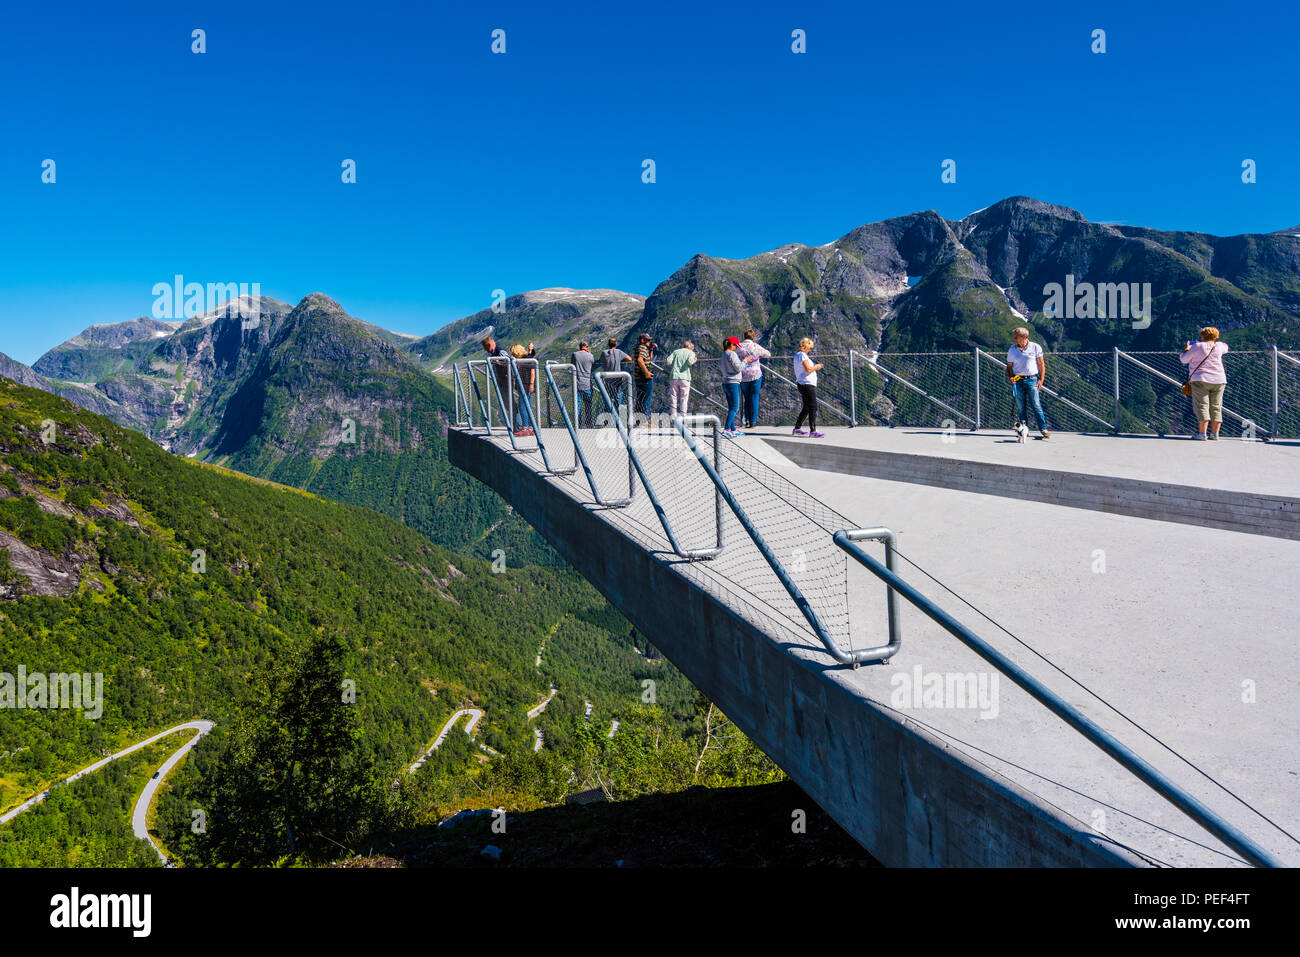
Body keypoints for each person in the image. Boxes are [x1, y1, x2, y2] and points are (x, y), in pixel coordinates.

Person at [1180, 327, 1229, 440]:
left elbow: (1184, 359)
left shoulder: (1197, 346)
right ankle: (1215, 434)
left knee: (1202, 405)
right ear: (1216, 336)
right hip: (1219, 380)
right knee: (1216, 406)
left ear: (1202, 336)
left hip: (1200, 379)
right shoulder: (1220, 346)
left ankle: (1202, 434)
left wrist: (1187, 349)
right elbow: (1226, 347)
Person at [1005, 327, 1050, 439]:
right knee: (1021, 407)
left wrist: (1041, 379)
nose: (1014, 339)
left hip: (1032, 380)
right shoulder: (1012, 349)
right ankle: (1024, 430)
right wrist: (1011, 377)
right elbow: (1009, 366)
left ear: (1024, 337)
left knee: (1036, 405)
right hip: (1018, 380)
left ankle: (1043, 428)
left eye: (1016, 337)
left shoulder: (1035, 347)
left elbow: (1041, 364)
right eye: (1014, 336)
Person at [720, 336, 755, 437]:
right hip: (733, 382)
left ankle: (733, 429)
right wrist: (745, 360)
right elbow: (739, 367)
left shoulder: (723, 354)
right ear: (731, 345)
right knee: (735, 407)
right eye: (736, 346)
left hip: (725, 382)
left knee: (731, 407)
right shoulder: (732, 354)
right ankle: (726, 429)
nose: (737, 348)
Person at [737, 330, 771, 428]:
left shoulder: (739, 347)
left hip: (743, 375)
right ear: (753, 337)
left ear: (744, 337)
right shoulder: (755, 346)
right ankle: (753, 422)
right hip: (755, 374)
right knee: (754, 398)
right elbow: (768, 354)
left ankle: (746, 420)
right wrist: (758, 356)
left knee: (746, 398)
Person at [792, 337, 824, 437]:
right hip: (807, 384)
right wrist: (817, 367)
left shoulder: (798, 355)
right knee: (813, 407)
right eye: (809, 348)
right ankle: (813, 431)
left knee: (806, 407)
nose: (810, 350)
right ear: (805, 347)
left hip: (803, 384)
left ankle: (797, 428)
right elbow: (808, 369)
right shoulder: (802, 355)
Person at [481, 335, 513, 425]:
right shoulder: (494, 353)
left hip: (506, 379)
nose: (485, 350)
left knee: (510, 402)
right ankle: (514, 424)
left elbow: (509, 362)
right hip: (501, 380)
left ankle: (517, 424)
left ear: (489, 345)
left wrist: (498, 362)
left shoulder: (500, 351)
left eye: (485, 348)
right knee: (506, 402)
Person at [599, 337, 632, 420]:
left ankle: (606, 419)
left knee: (607, 400)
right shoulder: (619, 352)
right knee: (618, 400)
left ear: (608, 344)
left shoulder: (604, 352)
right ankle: (616, 419)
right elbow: (629, 359)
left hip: (607, 380)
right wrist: (619, 360)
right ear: (616, 344)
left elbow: (600, 361)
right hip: (617, 380)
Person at [509, 342, 536, 435]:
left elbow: (532, 372)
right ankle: (530, 427)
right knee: (527, 405)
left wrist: (531, 384)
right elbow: (531, 354)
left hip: (526, 385)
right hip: (523, 385)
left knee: (523, 406)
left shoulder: (526, 359)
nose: (512, 355)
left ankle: (525, 427)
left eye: (513, 353)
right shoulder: (523, 358)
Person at [665, 340, 697, 420]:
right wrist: (695, 360)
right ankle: (683, 418)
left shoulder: (676, 352)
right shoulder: (691, 353)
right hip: (685, 377)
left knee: (673, 397)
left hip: (674, 376)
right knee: (684, 398)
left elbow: (668, 361)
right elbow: (690, 362)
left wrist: (675, 364)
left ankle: (673, 418)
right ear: (690, 348)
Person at [633, 333, 657, 426]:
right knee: (646, 399)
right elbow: (640, 360)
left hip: (638, 377)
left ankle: (638, 421)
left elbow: (648, 359)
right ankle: (643, 422)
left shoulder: (639, 348)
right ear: (642, 340)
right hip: (644, 378)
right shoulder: (642, 348)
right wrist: (647, 373)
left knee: (640, 399)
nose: (649, 341)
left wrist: (651, 349)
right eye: (647, 340)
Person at [571, 341, 595, 428]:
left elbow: (572, 365)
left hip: (577, 383)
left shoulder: (575, 355)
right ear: (587, 347)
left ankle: (578, 424)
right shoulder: (590, 356)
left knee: (577, 404)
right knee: (588, 404)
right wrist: (590, 354)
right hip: (587, 383)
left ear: (580, 347)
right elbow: (593, 366)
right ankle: (589, 423)